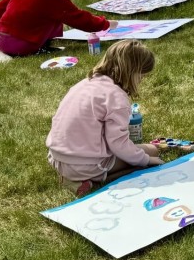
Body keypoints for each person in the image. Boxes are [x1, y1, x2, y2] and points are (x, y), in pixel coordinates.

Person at [45, 39, 164, 196]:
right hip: (84, 165)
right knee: (151, 153)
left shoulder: (85, 83)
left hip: (57, 159)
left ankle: (77, 177)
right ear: (132, 72)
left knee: (144, 152)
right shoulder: (116, 98)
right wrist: (146, 161)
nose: (142, 81)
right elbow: (118, 144)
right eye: (142, 76)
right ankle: (88, 181)